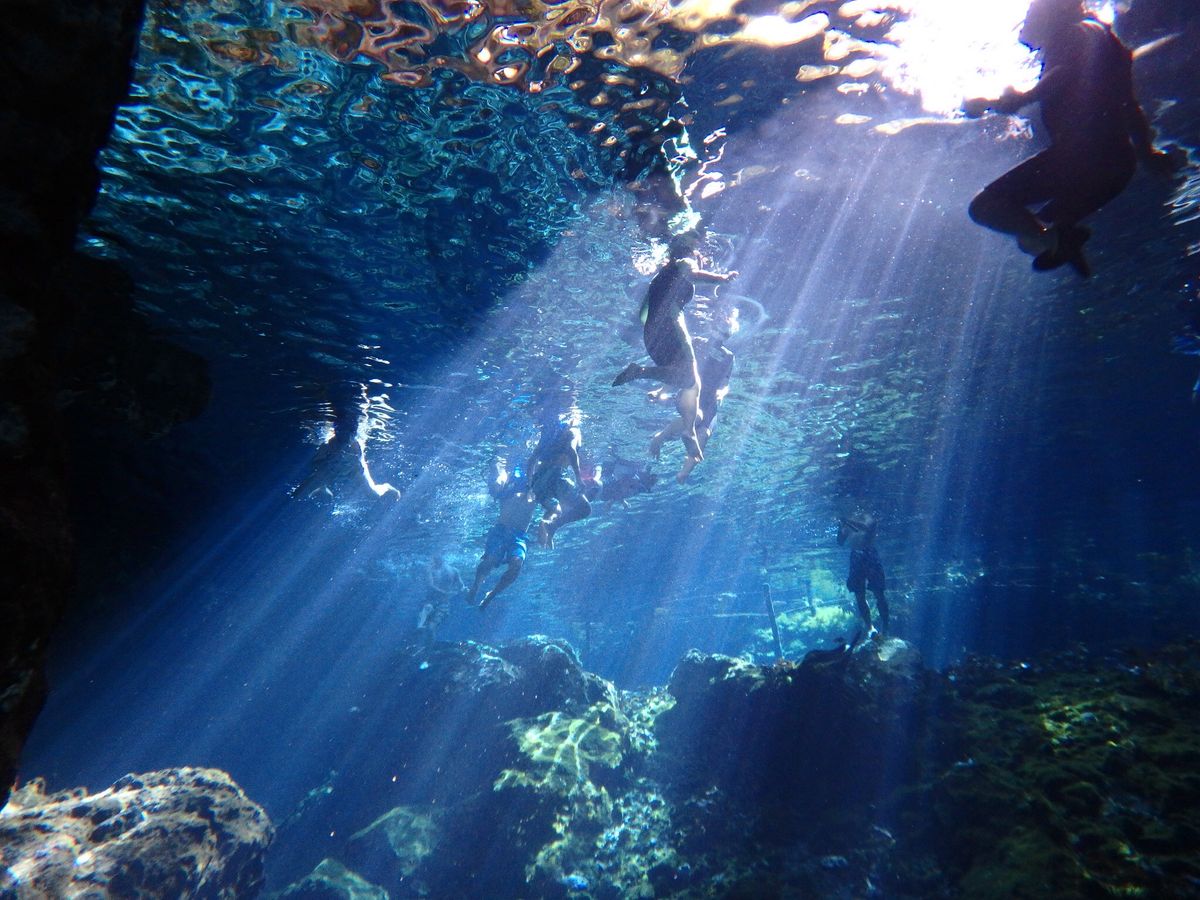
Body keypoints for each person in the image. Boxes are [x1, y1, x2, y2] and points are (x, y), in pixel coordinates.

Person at [962, 0, 1181, 277]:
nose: (1025, 22)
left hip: (1082, 158)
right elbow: (1129, 104)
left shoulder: (1071, 33)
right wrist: (1145, 152)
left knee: (985, 207)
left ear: (1053, 10)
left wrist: (1022, 99)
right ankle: (1061, 239)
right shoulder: (1106, 39)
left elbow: (1062, 74)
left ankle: (1056, 241)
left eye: (1030, 12)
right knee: (1028, 232)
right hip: (1117, 167)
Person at [613, 232, 736, 466]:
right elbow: (692, 274)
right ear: (688, 249)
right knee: (690, 376)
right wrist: (722, 279)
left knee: (690, 381)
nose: (698, 254)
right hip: (669, 325)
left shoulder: (662, 275)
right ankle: (640, 372)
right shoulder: (684, 261)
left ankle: (689, 431)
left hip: (651, 333)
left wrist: (650, 330)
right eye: (696, 249)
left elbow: (643, 313)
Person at [649, 312, 737, 483]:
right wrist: (661, 391)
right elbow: (678, 371)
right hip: (690, 393)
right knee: (696, 417)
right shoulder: (696, 344)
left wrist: (722, 392)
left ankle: (683, 474)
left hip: (710, 401)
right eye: (718, 331)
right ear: (711, 328)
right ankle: (659, 438)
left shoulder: (728, 357)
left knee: (704, 434)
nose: (719, 337)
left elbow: (725, 383)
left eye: (725, 334)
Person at [466, 460, 538, 609]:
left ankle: (491, 594)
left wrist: (548, 524)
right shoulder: (511, 481)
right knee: (489, 561)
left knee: (516, 565)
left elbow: (553, 502)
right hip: (501, 530)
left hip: (519, 535)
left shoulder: (539, 487)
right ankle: (476, 585)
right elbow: (498, 480)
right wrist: (498, 473)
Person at [527, 412, 592, 549]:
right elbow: (572, 451)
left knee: (556, 510)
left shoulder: (549, 435)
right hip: (556, 477)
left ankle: (548, 528)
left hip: (539, 480)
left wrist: (530, 485)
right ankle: (551, 526)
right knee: (584, 509)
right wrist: (578, 478)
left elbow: (532, 460)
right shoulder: (573, 431)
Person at [837, 512, 889, 636]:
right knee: (859, 595)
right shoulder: (848, 522)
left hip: (869, 554)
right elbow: (840, 542)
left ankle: (886, 627)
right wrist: (840, 528)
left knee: (879, 593)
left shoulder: (867, 516)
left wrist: (848, 520)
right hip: (855, 556)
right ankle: (870, 627)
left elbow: (867, 528)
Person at [416, 553, 463, 645]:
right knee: (427, 609)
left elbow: (461, 585)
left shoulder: (454, 571)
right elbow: (430, 585)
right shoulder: (430, 570)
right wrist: (447, 593)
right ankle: (420, 627)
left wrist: (459, 591)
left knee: (430, 628)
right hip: (431, 601)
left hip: (443, 603)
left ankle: (428, 649)